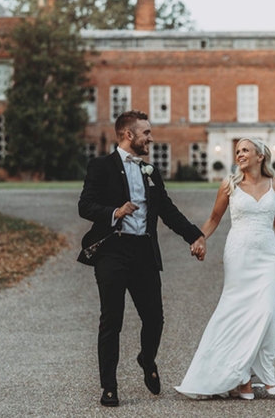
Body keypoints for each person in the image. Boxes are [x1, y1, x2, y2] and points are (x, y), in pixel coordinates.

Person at [78, 110, 207, 407]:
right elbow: (85, 205)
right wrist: (114, 212)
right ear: (128, 135)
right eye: (146, 132)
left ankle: (146, 359)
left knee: (154, 319)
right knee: (112, 320)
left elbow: (167, 211)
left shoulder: (151, 172)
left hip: (143, 253)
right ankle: (109, 388)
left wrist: (195, 236)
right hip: (113, 251)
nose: (151, 137)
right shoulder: (101, 167)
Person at [175, 137, 275, 400]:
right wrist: (199, 238)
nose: (240, 154)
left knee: (264, 313)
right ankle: (241, 378)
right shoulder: (229, 185)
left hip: (267, 257)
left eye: (245, 150)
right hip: (239, 254)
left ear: (260, 156)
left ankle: (257, 373)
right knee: (236, 312)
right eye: (238, 151)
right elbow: (214, 218)